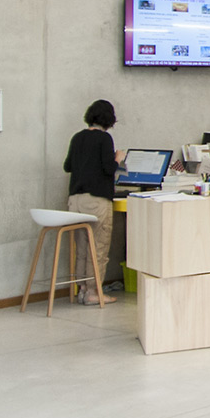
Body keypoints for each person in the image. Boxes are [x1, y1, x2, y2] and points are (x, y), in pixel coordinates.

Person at [63, 99, 125, 304]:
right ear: (109, 119)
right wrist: (117, 158)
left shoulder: (77, 137)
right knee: (98, 249)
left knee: (82, 248)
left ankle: (82, 289)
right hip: (97, 201)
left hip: (75, 201)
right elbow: (108, 168)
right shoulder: (104, 138)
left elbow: (67, 166)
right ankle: (93, 292)